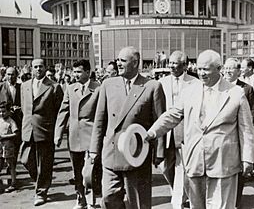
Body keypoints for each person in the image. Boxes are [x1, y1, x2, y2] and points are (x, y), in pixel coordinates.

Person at [146, 49, 254, 209]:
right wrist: (152, 132)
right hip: (194, 161)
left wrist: (247, 158)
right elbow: (172, 115)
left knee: (221, 206)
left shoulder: (235, 93)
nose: (201, 73)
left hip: (223, 162)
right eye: (199, 68)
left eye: (206, 69)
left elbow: (246, 129)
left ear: (219, 69)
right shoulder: (189, 91)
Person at [88, 46, 166, 209]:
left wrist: (158, 153)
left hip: (136, 154)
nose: (118, 63)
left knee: (137, 202)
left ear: (135, 63)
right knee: (109, 198)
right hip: (111, 153)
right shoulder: (108, 85)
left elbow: (160, 122)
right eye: (118, 60)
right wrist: (94, 149)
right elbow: (100, 120)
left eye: (123, 60)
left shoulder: (152, 86)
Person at [55, 59, 100, 209]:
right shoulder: (70, 88)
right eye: (74, 72)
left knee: (90, 171)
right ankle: (80, 198)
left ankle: (92, 200)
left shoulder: (98, 88)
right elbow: (63, 111)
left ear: (88, 72)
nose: (75, 75)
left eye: (79, 72)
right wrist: (58, 133)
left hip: (91, 136)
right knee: (77, 171)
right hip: (74, 137)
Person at [20, 58, 63, 206]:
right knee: (25, 159)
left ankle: (41, 192)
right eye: (35, 67)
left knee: (45, 163)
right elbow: (25, 108)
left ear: (45, 68)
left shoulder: (54, 87)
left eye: (41, 66)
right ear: (31, 69)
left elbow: (59, 111)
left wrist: (58, 132)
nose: (38, 69)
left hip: (45, 130)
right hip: (28, 129)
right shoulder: (25, 86)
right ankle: (40, 180)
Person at [159, 50, 197, 209]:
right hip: (166, 132)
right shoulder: (162, 82)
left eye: (176, 64)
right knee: (166, 167)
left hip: (185, 132)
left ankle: (178, 201)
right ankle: (179, 192)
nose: (172, 66)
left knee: (181, 168)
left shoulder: (194, 83)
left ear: (185, 66)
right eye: (171, 63)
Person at [223, 57, 254, 208]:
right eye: (226, 68)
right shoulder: (219, 87)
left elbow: (253, 115)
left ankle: (236, 201)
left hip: (240, 135)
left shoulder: (246, 89)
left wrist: (250, 138)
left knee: (239, 170)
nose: (228, 71)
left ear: (238, 71)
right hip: (224, 137)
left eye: (231, 68)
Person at [0, 67, 23, 167]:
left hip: (17, 120)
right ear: (5, 75)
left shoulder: (21, 87)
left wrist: (20, 108)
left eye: (12, 74)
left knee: (16, 143)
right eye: (8, 74)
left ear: (16, 75)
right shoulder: (1, 86)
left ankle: (12, 168)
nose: (10, 77)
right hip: (3, 121)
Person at [0, 101, 18, 193]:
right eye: (0, 111)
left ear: (8, 111)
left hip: (8, 145)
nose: (1, 113)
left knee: (10, 165)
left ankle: (13, 183)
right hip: (0, 146)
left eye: (3, 111)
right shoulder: (0, 120)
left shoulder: (11, 121)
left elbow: (16, 133)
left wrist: (4, 136)